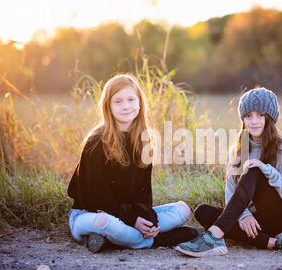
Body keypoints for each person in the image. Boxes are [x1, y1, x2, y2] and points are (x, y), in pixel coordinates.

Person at [67, 74, 197, 253]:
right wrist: (133, 220)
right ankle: (157, 240)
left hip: (127, 215)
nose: (126, 106)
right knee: (107, 223)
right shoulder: (96, 142)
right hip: (90, 215)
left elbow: (143, 193)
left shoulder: (144, 141)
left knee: (182, 210)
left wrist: (146, 219)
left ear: (139, 103)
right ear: (108, 107)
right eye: (118, 101)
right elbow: (96, 197)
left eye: (130, 99)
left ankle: (111, 241)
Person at [175, 87, 282, 257]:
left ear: (270, 118)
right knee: (204, 212)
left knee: (254, 170)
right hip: (255, 222)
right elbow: (230, 193)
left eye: (260, 115)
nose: (254, 121)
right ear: (243, 119)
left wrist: (267, 170)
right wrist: (244, 215)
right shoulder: (238, 150)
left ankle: (214, 237)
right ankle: (278, 242)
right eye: (248, 116)